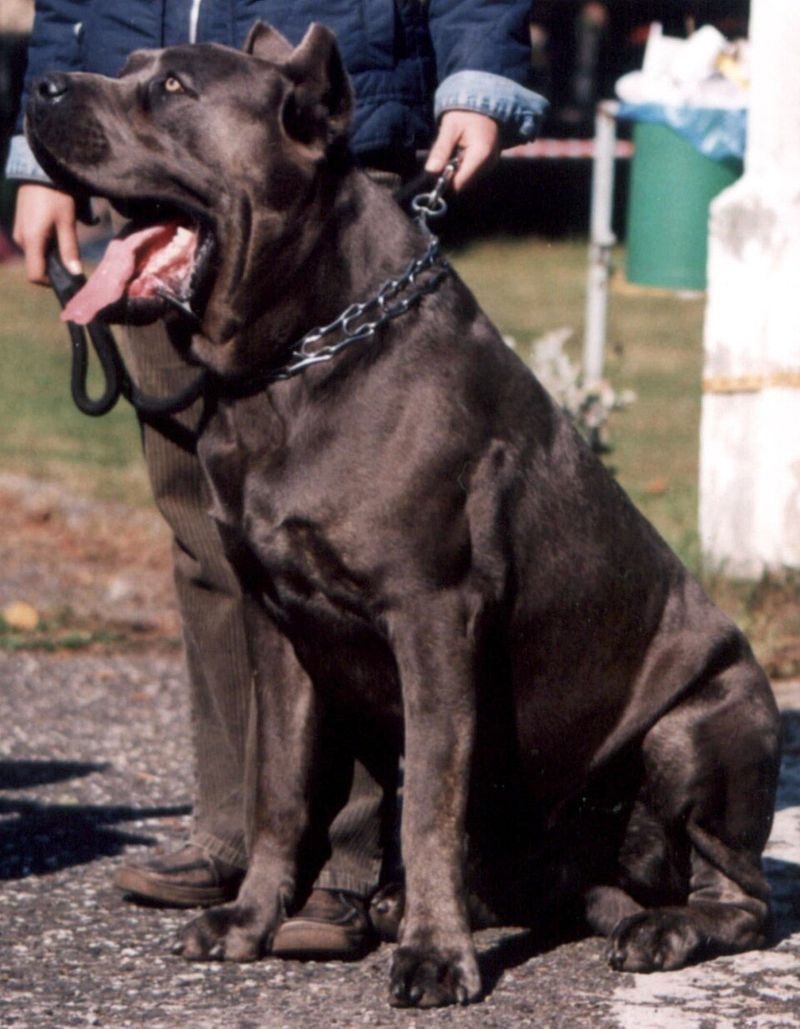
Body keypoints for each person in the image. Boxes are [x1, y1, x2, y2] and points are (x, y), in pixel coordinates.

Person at [7, 0, 547, 959]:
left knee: (376, 542)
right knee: (215, 531)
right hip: (153, 148)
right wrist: (42, 156)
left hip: (305, 145)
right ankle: (240, 831)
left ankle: (348, 864)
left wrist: (480, 73)